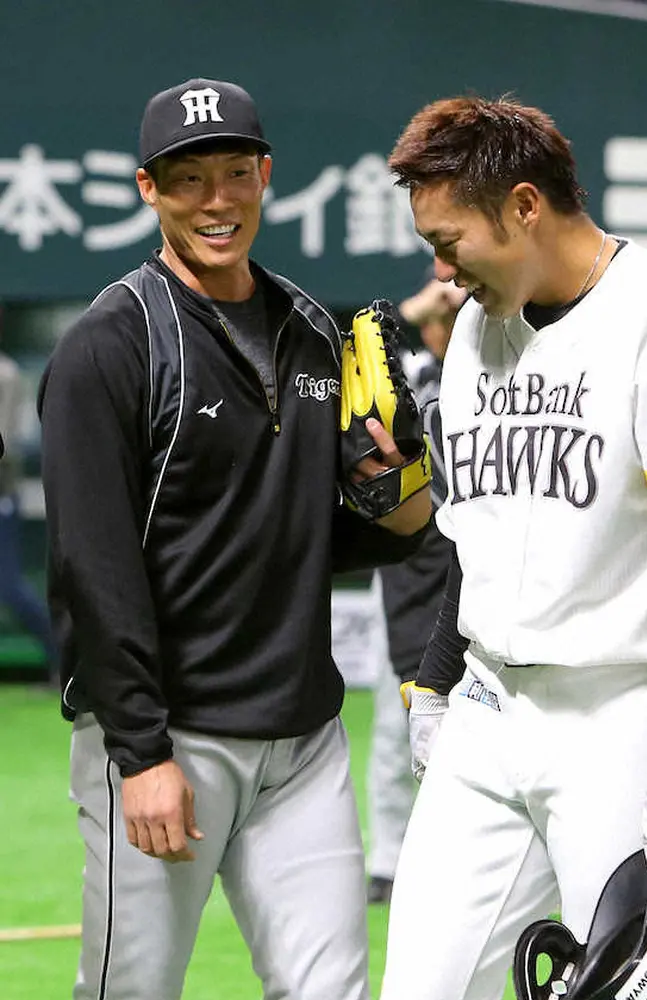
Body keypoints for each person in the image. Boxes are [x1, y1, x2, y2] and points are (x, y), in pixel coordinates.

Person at [37, 77, 430, 1000]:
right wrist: (141, 753)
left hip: (302, 739)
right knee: (131, 992)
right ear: (148, 190)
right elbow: (93, 565)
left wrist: (400, 494)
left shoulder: (311, 330)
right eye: (188, 180)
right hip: (172, 735)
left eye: (235, 174)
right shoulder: (110, 344)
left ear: (266, 176)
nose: (216, 201)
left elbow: (318, 535)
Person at [379, 94, 647, 1000]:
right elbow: (478, 529)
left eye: (449, 241)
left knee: (621, 986)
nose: (440, 270)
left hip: (619, 718)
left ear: (524, 205)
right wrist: (434, 682)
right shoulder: (478, 324)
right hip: (487, 707)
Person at [364, 279, 465, 904]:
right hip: (408, 556)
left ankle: (456, 853)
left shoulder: (498, 364)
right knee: (395, 715)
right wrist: (409, 311)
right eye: (438, 317)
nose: (445, 325)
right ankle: (389, 856)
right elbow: (354, 367)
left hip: (470, 557)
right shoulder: (409, 372)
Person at [0, 322, 57, 680]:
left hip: (2, 494)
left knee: (9, 586)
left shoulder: (5, 374)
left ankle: (63, 659)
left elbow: (5, 445)